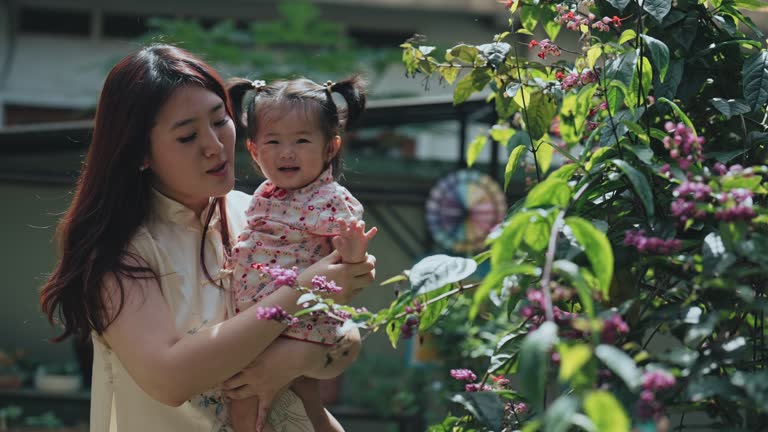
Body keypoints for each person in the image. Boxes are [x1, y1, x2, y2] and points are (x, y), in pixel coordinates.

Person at [39, 44, 376, 432]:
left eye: (220, 121)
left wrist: (292, 359)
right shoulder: (117, 249)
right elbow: (169, 379)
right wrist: (305, 289)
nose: (214, 146)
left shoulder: (262, 213)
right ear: (140, 153)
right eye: (187, 136)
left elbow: (348, 339)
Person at [225, 76, 377, 431]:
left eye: (301, 140)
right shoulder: (265, 193)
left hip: (298, 324)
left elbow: (348, 271)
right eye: (273, 141)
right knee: (296, 405)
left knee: (250, 407)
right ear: (254, 150)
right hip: (265, 321)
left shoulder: (328, 199)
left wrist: (353, 252)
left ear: (330, 148)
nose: (286, 152)